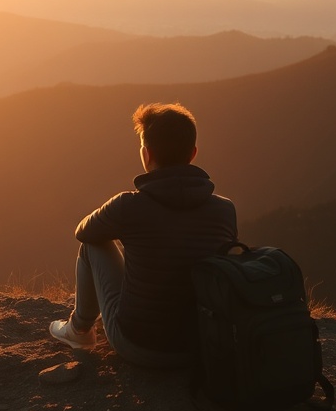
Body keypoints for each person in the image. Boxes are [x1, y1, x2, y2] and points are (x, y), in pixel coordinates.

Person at [49, 102, 237, 367]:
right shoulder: (225, 209)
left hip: (140, 346)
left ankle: (78, 331)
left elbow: (83, 232)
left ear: (146, 154)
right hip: (204, 345)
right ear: (193, 153)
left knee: (92, 245)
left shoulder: (128, 205)